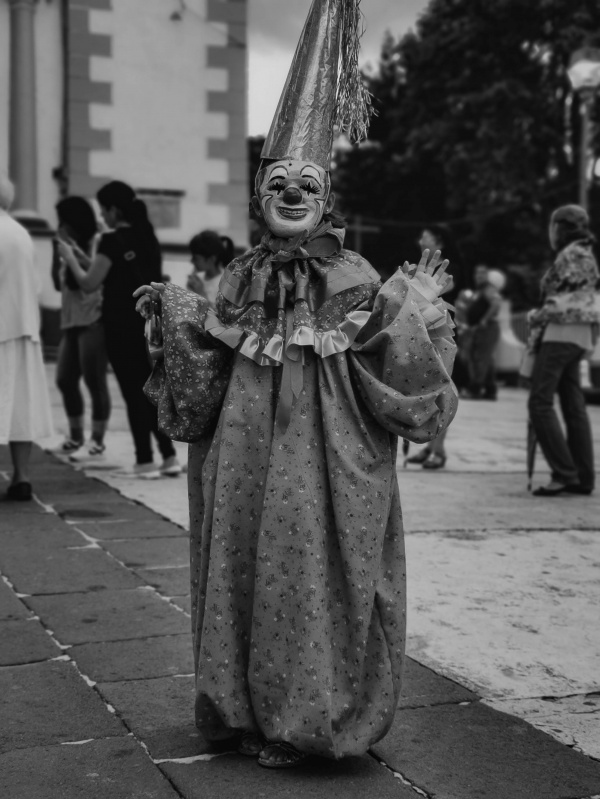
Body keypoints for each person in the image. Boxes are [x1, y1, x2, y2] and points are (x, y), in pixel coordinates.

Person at [135, 0, 457, 770]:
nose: (291, 191)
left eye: (305, 181)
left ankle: (306, 718)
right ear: (260, 191)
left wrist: (418, 305)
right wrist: (175, 309)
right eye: (278, 180)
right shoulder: (239, 275)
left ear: (325, 194)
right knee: (241, 564)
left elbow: (388, 354)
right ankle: (242, 710)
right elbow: (210, 356)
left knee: (311, 568)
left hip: (323, 463)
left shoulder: (352, 274)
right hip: (245, 460)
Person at [57, 180, 181, 478]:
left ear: (114, 210)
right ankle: (168, 457)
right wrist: (85, 260)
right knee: (149, 389)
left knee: (132, 392)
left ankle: (144, 460)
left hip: (119, 325)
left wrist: (70, 258)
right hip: (149, 324)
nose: (102, 216)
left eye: (104, 210)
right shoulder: (147, 237)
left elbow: (89, 283)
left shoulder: (111, 241)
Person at [527, 204, 599, 497]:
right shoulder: (585, 253)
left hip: (560, 333)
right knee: (573, 404)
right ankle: (583, 477)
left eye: (553, 225)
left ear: (560, 227)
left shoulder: (571, 255)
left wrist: (536, 315)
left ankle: (565, 473)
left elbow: (563, 301)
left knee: (539, 403)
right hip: (579, 335)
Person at [0, 173, 54, 500]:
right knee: (20, 403)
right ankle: (21, 476)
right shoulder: (21, 233)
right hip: (23, 326)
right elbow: (35, 285)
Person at [51, 196, 111, 459]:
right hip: (71, 320)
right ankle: (75, 436)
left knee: (94, 380)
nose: (60, 226)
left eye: (63, 221)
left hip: (93, 318)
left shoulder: (99, 241)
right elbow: (58, 284)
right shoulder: (66, 246)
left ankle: (96, 441)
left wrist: (74, 255)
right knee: (65, 380)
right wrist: (57, 255)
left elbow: (96, 280)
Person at [404, 225, 466, 469]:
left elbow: (435, 292)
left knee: (439, 387)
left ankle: (438, 451)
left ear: (438, 240)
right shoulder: (420, 266)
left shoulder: (449, 268)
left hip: (441, 331)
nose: (420, 239)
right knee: (428, 387)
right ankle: (432, 448)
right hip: (421, 330)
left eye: (425, 235)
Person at [463, 264, 502, 399]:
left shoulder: (488, 288)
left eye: (482, 273)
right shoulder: (479, 290)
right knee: (486, 360)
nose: (479, 276)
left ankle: (475, 389)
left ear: (487, 275)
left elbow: (496, 304)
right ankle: (490, 390)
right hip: (480, 329)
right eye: (477, 273)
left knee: (480, 359)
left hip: (487, 328)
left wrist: (484, 320)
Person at [186, 230, 233, 307]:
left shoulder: (225, 284)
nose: (192, 261)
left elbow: (219, 314)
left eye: (196, 258)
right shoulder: (198, 278)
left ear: (211, 259)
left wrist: (201, 293)